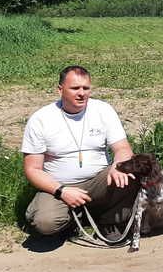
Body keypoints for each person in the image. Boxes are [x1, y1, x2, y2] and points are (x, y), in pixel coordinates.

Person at [22, 65, 138, 238]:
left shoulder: (103, 110)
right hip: (59, 185)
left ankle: (110, 221)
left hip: (98, 180)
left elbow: (123, 149)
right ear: (60, 90)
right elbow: (32, 169)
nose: (82, 93)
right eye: (75, 88)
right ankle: (71, 218)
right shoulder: (41, 119)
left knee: (133, 170)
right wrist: (62, 191)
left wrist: (119, 165)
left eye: (86, 88)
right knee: (45, 223)